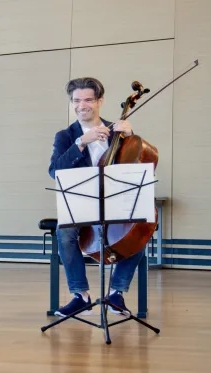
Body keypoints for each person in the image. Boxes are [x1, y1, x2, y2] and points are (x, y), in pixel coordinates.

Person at [48, 77, 145, 317]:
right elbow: (55, 171)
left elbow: (137, 162)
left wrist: (132, 137)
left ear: (100, 101)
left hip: (116, 201)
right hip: (83, 203)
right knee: (65, 231)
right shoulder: (66, 136)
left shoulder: (118, 131)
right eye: (77, 100)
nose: (82, 105)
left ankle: (116, 293)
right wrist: (82, 142)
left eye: (88, 99)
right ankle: (80, 295)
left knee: (140, 230)